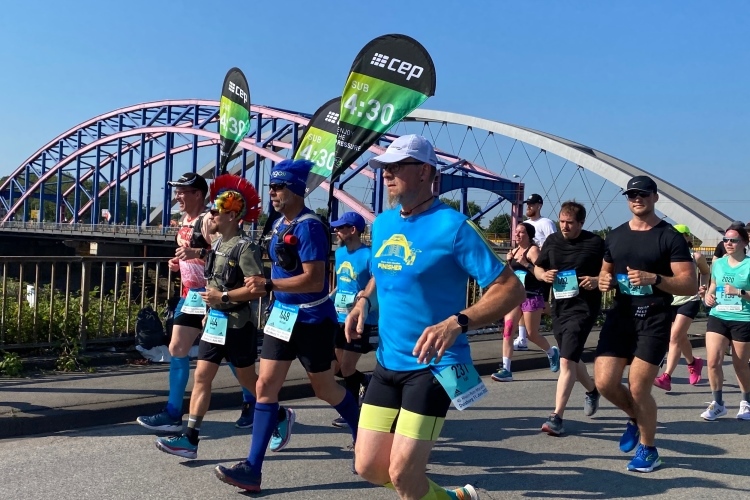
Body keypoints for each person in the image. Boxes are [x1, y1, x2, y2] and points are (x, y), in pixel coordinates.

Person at [347, 134, 525, 500]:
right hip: (387, 362)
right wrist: (363, 300)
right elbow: (385, 271)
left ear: (425, 171)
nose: (386, 174)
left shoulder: (454, 227)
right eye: (384, 167)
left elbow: (511, 289)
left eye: (397, 166)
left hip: (434, 366)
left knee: (402, 474)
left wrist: (457, 321)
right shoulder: (382, 224)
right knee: (367, 467)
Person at [214, 159, 360, 494]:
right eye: (271, 187)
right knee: (265, 386)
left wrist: (269, 285)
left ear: (295, 190)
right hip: (282, 317)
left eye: (279, 187)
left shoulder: (310, 227)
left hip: (311, 320)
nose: (273, 192)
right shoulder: (279, 223)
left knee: (325, 389)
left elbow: (315, 280)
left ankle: (362, 436)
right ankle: (252, 469)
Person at [155, 174, 265, 458]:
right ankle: (190, 440)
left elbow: (256, 289)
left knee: (248, 379)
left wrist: (223, 298)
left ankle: (276, 415)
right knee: (202, 377)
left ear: (231, 216)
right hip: (215, 320)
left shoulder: (245, 247)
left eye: (216, 211)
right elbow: (211, 275)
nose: (211, 214)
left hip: (238, 323)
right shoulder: (216, 247)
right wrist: (210, 308)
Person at [596, 175, 697, 473]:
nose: (636, 199)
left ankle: (649, 450)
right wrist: (603, 281)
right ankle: (635, 417)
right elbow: (606, 272)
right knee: (604, 383)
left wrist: (655, 278)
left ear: (655, 197)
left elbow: (689, 284)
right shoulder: (615, 235)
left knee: (639, 388)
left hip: (654, 317)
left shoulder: (669, 236)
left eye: (642, 194)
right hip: (621, 316)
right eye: (631, 195)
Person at [533, 201, 603, 435]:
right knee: (569, 357)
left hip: (583, 308)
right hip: (560, 307)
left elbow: (610, 270)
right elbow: (538, 267)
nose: (564, 226)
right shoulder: (553, 241)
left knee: (565, 362)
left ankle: (557, 417)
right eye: (562, 221)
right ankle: (592, 390)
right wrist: (543, 275)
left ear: (581, 223)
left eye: (570, 223)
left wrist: (597, 280)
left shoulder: (595, 243)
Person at [491, 222, 560, 382]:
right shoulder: (514, 251)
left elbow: (541, 273)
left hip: (531, 295)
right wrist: (508, 263)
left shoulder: (533, 250)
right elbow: (512, 276)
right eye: (516, 232)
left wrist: (526, 264)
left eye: (521, 232)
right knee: (508, 331)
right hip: (515, 297)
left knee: (531, 334)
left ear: (529, 235)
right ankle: (506, 369)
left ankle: (552, 352)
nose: (517, 235)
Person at [329, 211, 377, 428]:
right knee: (336, 368)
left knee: (347, 368)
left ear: (353, 230)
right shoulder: (340, 253)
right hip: (338, 316)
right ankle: (365, 380)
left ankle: (351, 412)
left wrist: (364, 297)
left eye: (341, 227)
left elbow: (377, 283)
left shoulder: (369, 255)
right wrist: (329, 298)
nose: (336, 230)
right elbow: (341, 282)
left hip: (360, 319)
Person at [700, 225, 750, 421]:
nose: (728, 243)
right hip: (718, 315)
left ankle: (746, 402)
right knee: (713, 362)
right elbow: (713, 285)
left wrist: (739, 292)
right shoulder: (719, 263)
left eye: (733, 240)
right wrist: (707, 296)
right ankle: (718, 404)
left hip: (742, 318)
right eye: (726, 240)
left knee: (740, 365)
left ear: (744, 243)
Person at [653, 224, 709, 391]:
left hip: (689, 299)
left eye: (679, 234)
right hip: (670, 301)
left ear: (687, 236)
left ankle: (666, 377)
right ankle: (693, 362)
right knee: (680, 337)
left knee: (675, 336)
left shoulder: (695, 256)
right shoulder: (665, 255)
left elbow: (705, 272)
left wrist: (703, 287)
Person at [516, 193, 557, 348]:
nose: (528, 207)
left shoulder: (546, 223)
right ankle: (522, 338)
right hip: (525, 270)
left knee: (543, 304)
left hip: (540, 268)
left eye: (532, 204)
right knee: (522, 301)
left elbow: (553, 243)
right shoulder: (525, 224)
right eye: (527, 204)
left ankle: (560, 319)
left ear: (539, 206)